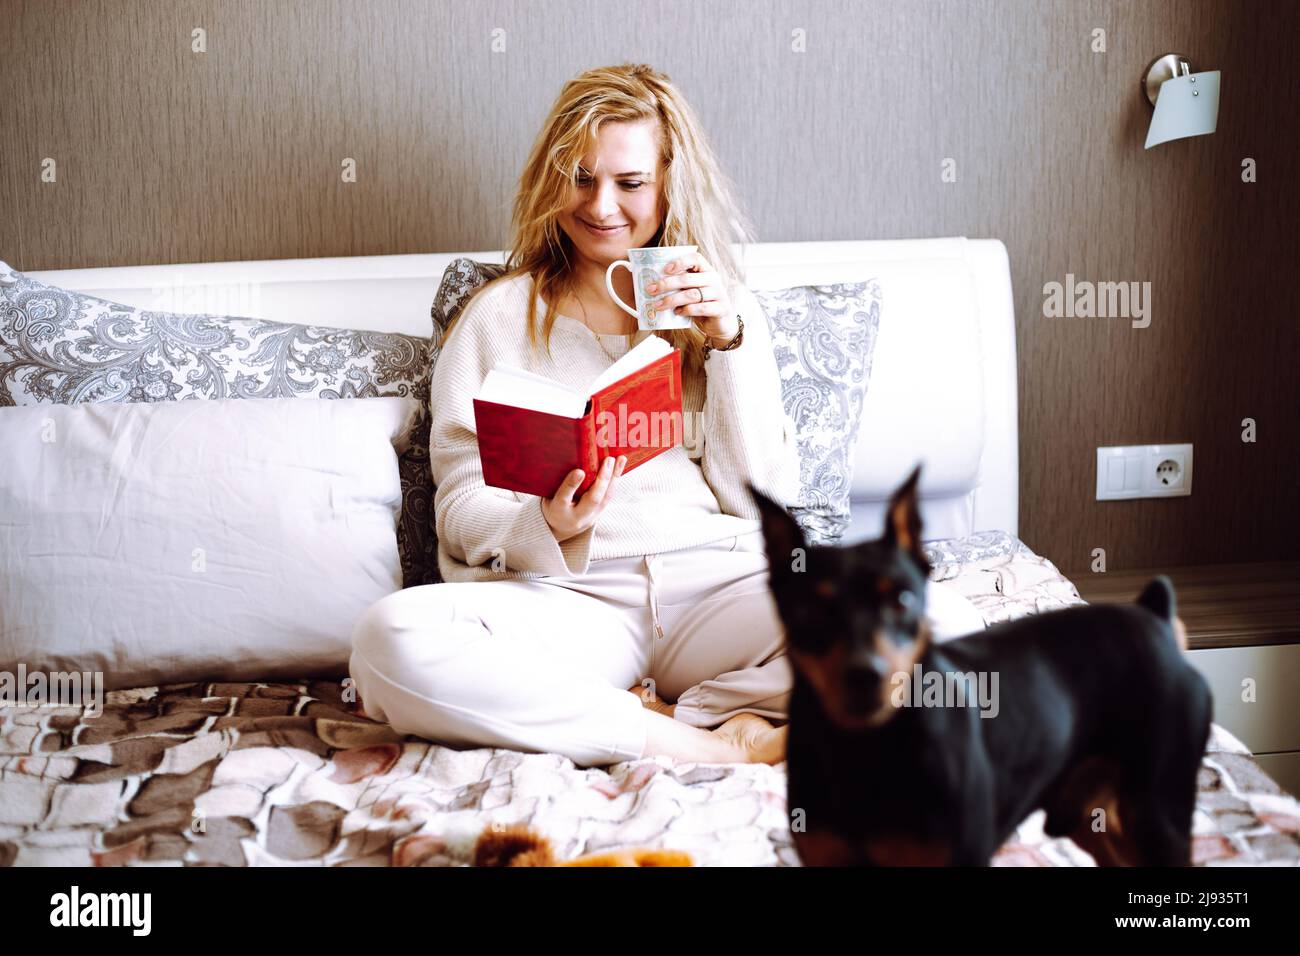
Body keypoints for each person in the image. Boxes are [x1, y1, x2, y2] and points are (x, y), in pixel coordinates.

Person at [348, 63, 985, 769]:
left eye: (630, 183)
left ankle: (725, 704)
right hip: (566, 598)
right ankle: (700, 744)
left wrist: (727, 343)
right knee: (388, 641)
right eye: (581, 178)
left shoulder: (720, 311)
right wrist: (545, 525)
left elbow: (761, 502)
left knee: (947, 633)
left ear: (668, 184)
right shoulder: (494, 319)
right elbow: (462, 508)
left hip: (716, 583)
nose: (601, 206)